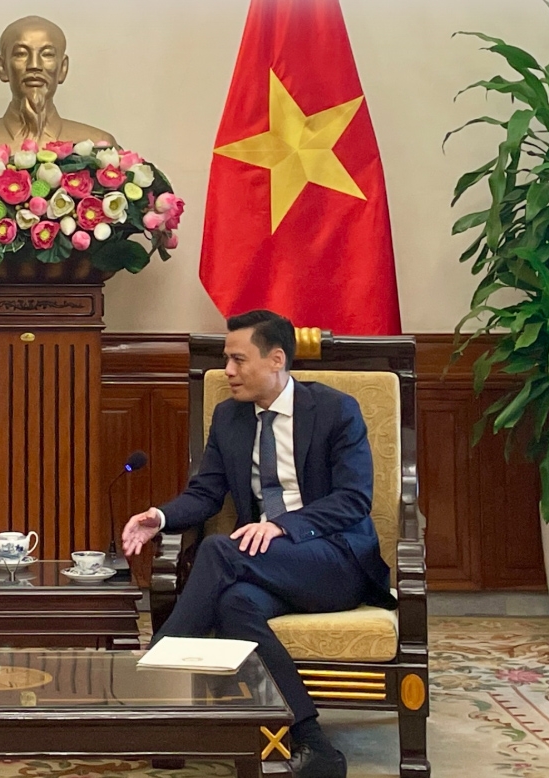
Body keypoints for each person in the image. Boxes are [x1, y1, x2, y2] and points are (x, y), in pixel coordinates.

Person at [121, 310, 396, 778]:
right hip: (262, 566)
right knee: (235, 603)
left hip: (334, 560)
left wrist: (285, 526)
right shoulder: (229, 416)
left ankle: (153, 673)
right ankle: (315, 745)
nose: (227, 371)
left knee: (217, 550)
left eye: (237, 359)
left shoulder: (334, 410)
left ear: (275, 360)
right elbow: (206, 492)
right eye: (226, 359)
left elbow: (353, 500)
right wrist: (160, 517)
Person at [0, 15, 116, 151]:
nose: (34, 65)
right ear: (2, 67)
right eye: (21, 54)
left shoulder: (99, 146)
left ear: (63, 68)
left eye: (47, 54)